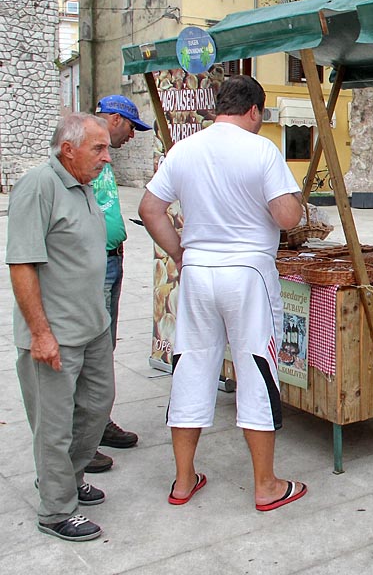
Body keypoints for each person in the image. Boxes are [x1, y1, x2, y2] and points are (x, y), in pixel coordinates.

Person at [138, 75, 308, 511]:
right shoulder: (262, 150)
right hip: (247, 273)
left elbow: (150, 208)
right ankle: (266, 485)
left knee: (191, 367)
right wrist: (293, 197)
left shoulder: (185, 149)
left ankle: (182, 480)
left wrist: (181, 253)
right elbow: (288, 217)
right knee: (256, 369)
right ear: (254, 110)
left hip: (198, 272)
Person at [7, 113, 115, 541]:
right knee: (54, 427)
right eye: (99, 148)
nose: (107, 157)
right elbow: (22, 264)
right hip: (54, 335)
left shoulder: (84, 184)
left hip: (91, 328)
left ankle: (65, 479)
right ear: (68, 149)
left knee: (96, 406)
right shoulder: (39, 185)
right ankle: (55, 509)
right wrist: (40, 333)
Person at [85, 95, 151, 474]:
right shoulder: (84, 155)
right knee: (90, 351)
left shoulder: (105, 158)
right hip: (94, 264)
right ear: (114, 119)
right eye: (129, 128)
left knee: (104, 347)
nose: (131, 137)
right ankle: (84, 438)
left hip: (112, 259)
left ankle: (99, 421)